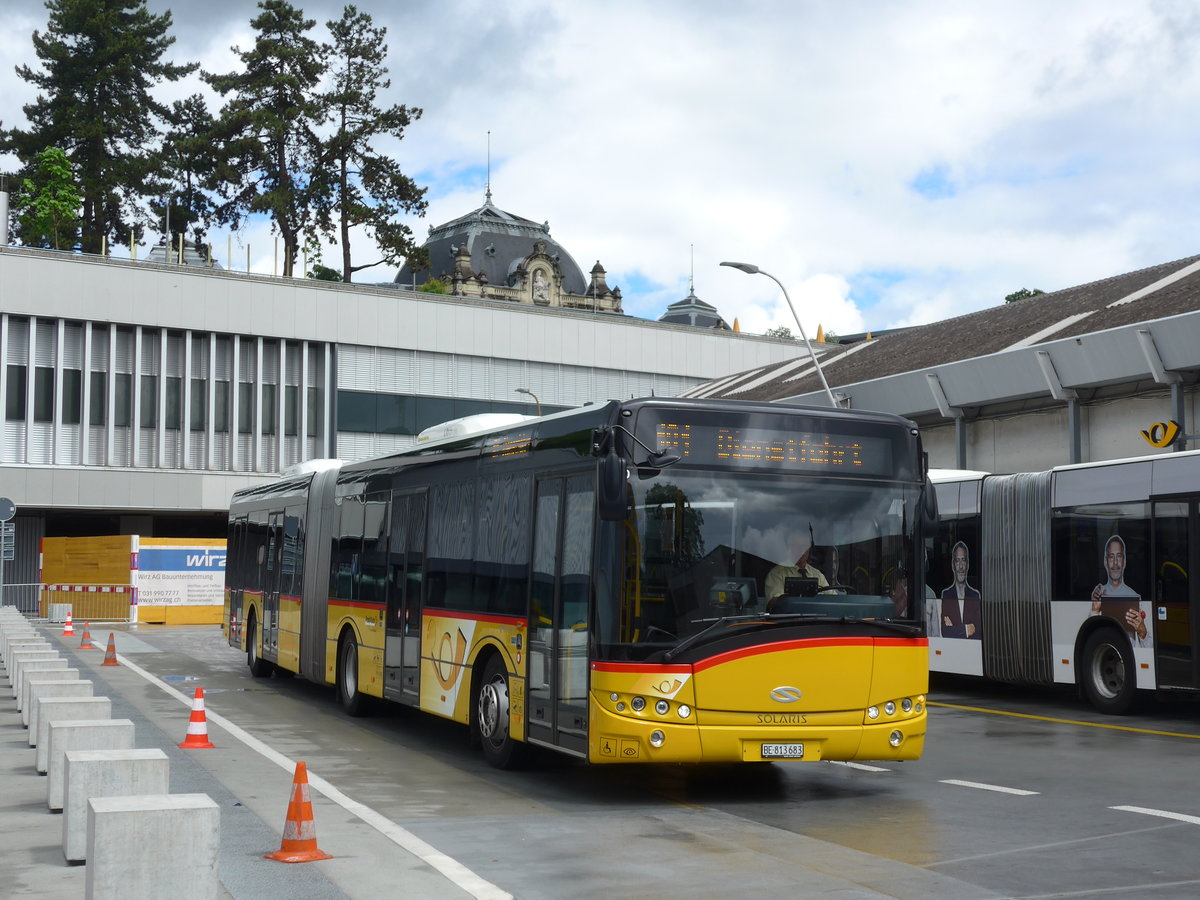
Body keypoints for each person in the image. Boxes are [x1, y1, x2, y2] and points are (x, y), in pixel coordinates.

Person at [1090, 534, 1148, 647]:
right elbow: (1091, 637)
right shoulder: (1097, 597)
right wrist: (1094, 611)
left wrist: (1143, 632)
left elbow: (1144, 650)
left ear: (1124, 561)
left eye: (1119, 556)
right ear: (1106, 562)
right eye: (1111, 556)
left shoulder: (1135, 597)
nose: (1115, 563)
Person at [765, 529, 829, 601]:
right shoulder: (777, 574)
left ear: (809, 549)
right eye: (796, 546)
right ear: (788, 548)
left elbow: (834, 600)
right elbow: (775, 604)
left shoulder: (818, 575)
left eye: (804, 546)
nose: (801, 550)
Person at [940, 541, 982, 640]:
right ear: (953, 565)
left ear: (967, 564)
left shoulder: (975, 595)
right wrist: (966, 629)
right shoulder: (946, 595)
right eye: (957, 561)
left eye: (963, 560)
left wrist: (955, 629)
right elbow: (945, 631)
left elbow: (978, 632)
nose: (961, 566)